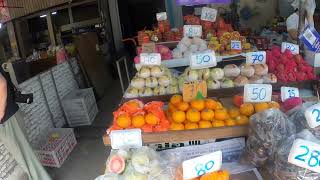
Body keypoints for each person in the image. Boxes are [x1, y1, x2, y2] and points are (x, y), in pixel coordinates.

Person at [0, 67, 52, 180]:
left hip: (7, 119)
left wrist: (1, 112)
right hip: (9, 118)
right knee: (24, 155)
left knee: (25, 155)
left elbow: (2, 84)